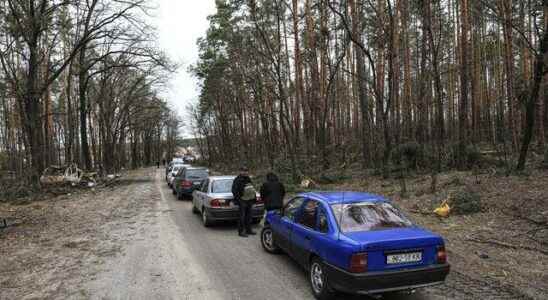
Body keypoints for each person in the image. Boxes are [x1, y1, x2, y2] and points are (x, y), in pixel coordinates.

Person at [231, 166, 256, 237]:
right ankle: (241, 232)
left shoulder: (248, 179)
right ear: (240, 171)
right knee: (241, 217)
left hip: (249, 200)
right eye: (243, 171)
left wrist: (253, 199)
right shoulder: (237, 180)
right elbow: (234, 191)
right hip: (242, 201)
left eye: (246, 171)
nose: (245, 172)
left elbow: (252, 188)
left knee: (249, 216)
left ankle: (249, 230)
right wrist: (239, 200)